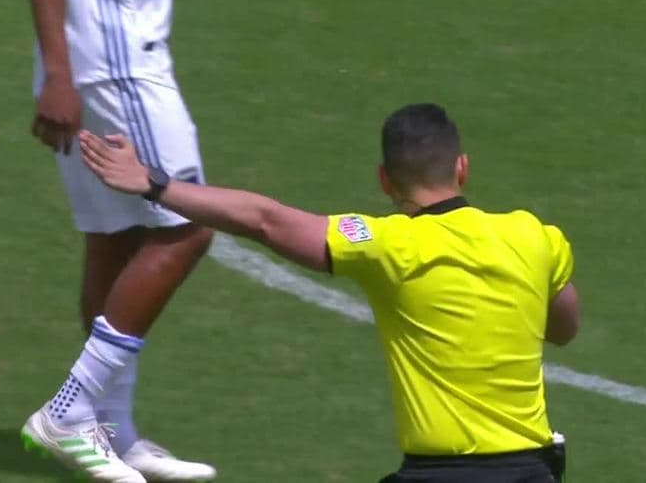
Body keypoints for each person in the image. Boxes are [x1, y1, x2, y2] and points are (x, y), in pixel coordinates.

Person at [79, 103, 580, 483]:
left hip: (441, 472)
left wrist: (153, 184)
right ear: (463, 167)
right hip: (532, 471)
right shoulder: (534, 235)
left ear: (385, 180)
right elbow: (563, 327)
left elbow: (265, 221)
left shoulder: (387, 245)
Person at [20, 0, 216, 482]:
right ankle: (71, 409)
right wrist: (59, 72)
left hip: (110, 56)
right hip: (116, 62)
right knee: (188, 229)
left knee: (118, 235)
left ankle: (109, 431)